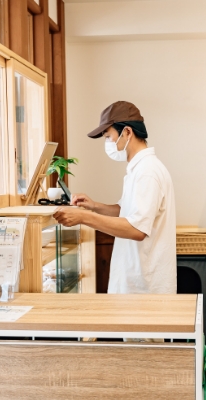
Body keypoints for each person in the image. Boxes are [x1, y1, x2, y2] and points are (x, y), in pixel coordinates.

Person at [54, 101, 176, 295]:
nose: (108, 143)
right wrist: (93, 206)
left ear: (127, 132)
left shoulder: (147, 172)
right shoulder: (139, 169)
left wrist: (84, 218)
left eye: (108, 136)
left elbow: (137, 229)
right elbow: (127, 212)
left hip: (144, 288)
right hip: (135, 282)